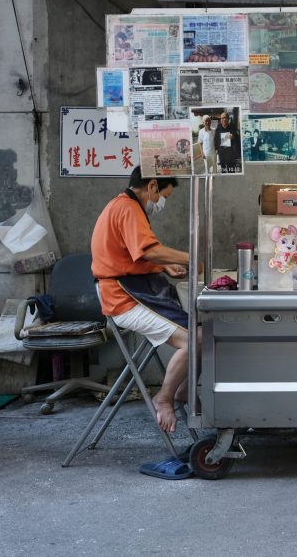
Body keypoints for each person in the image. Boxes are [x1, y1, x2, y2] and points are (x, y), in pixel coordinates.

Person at [91, 166, 192, 434]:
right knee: (194, 341)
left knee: (204, 333)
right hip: (123, 298)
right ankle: (165, 398)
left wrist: (164, 267)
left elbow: (132, 256)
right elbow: (150, 251)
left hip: (132, 289)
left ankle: (183, 390)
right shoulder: (127, 208)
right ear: (152, 186)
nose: (162, 203)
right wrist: (192, 257)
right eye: (164, 196)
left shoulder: (122, 205)